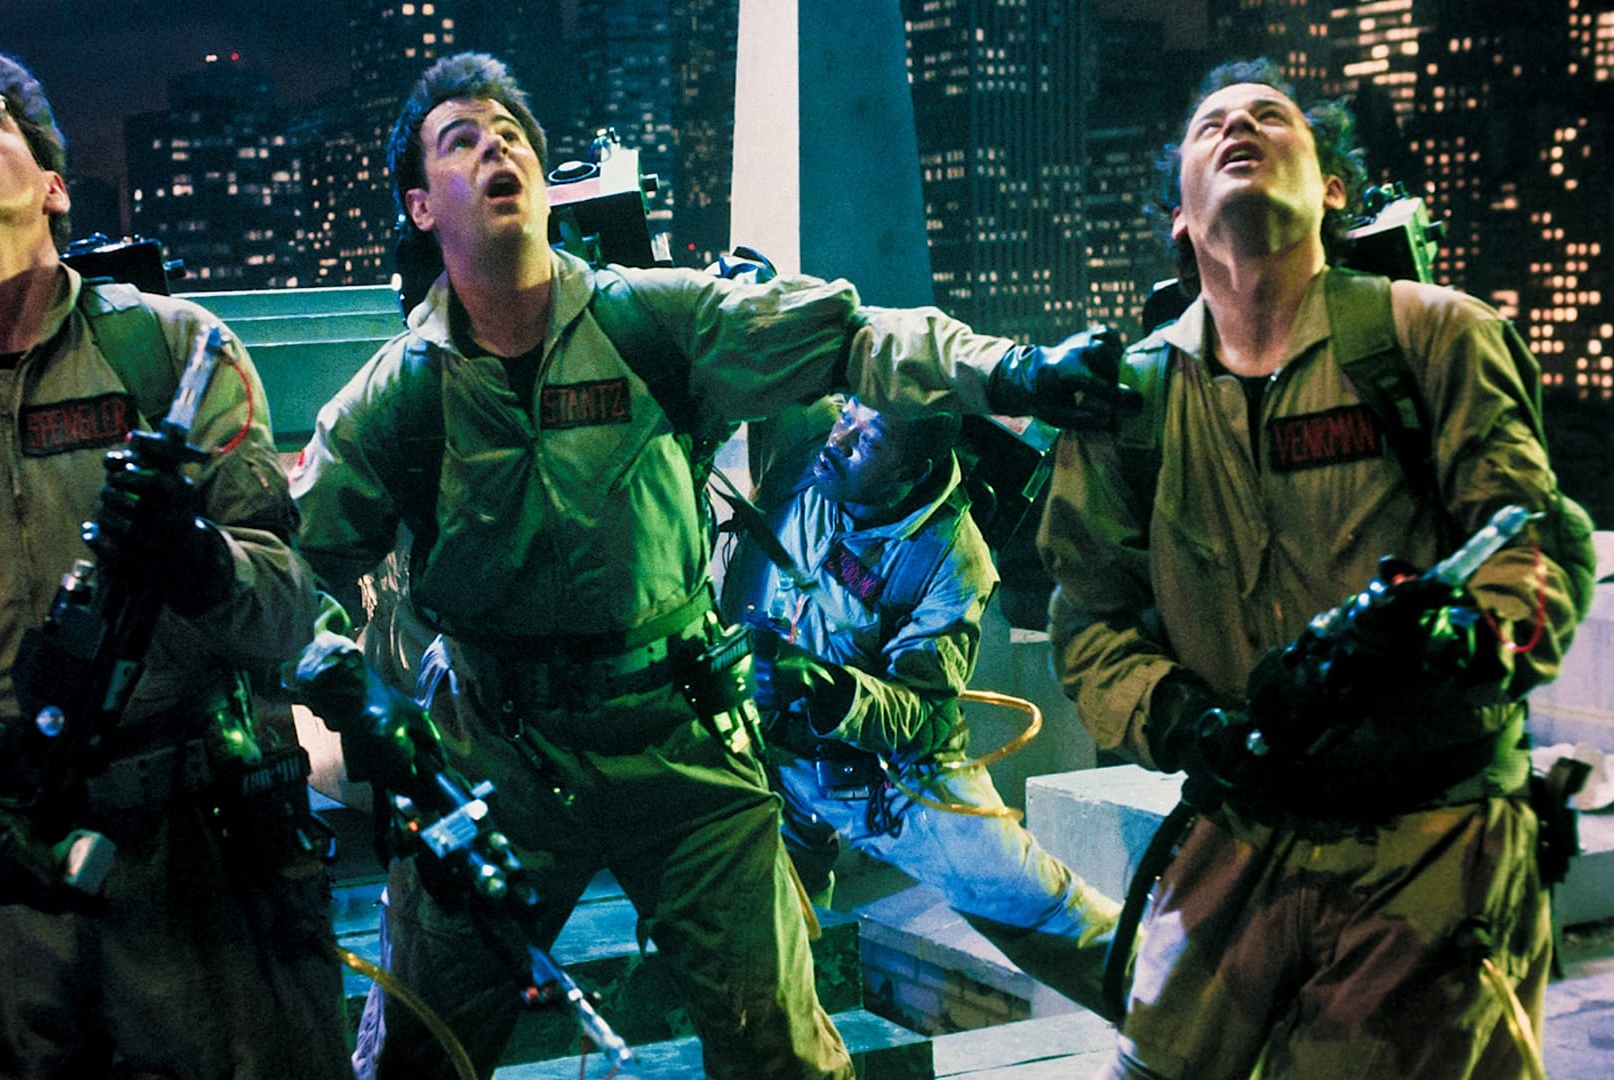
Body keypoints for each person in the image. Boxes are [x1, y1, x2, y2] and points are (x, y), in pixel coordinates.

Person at [291, 51, 1129, 1080]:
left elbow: (848, 337)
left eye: (511, 135)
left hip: (679, 738)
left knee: (782, 1051)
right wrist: (345, 681)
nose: (495, 149)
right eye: (460, 141)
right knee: (417, 1056)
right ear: (422, 206)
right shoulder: (394, 401)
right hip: (492, 754)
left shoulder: (655, 323)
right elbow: (294, 572)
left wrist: (1013, 371)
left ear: (544, 183)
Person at [0, 34, 350, 1077]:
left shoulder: (178, 354)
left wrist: (201, 562)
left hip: (195, 870)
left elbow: (285, 612)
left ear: (53, 187)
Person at [1039, 58, 1595, 1079]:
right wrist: (1183, 721)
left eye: (1272, 117)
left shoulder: (1432, 336)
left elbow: (1534, 543)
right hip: (1240, 832)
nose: (1239, 127)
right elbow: (1091, 616)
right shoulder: (1129, 399)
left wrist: (1460, 640)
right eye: (1211, 125)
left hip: (1430, 831)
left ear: (1334, 188)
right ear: (1178, 214)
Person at [720, 395, 1121, 1016]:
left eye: (868, 441)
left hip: (887, 779)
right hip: (772, 755)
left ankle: (1175, 1007)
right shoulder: (805, 444)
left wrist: (826, 686)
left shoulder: (953, 559)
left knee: (1027, 900)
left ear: (909, 472)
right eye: (847, 417)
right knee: (768, 945)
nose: (840, 439)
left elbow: (921, 712)